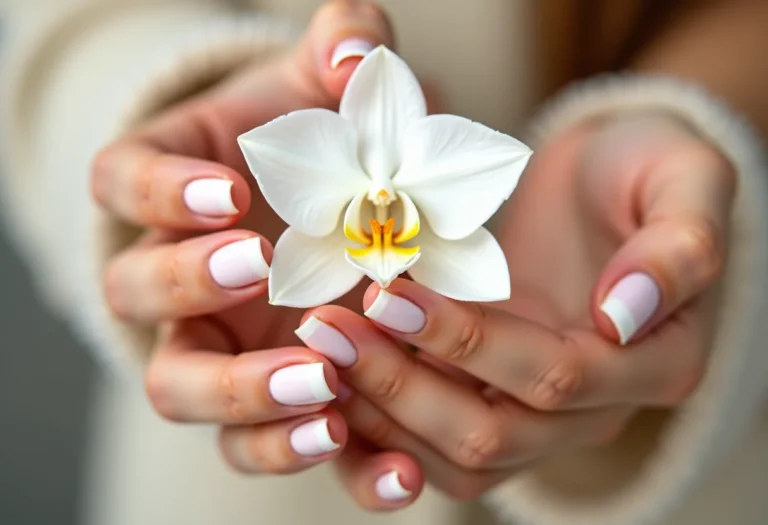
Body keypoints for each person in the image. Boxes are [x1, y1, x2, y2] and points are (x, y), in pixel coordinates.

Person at [2, 0, 768, 524]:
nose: (377, 225)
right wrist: (160, 135)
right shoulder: (298, 258)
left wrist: (692, 121)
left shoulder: (451, 256)